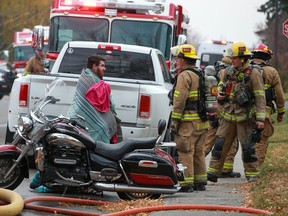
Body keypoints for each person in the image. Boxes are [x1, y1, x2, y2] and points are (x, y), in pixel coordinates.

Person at [207, 42, 266, 183]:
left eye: (234, 58)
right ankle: (213, 172)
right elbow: (221, 85)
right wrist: (220, 95)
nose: (231, 60)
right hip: (228, 115)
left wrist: (260, 119)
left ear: (242, 59)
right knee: (220, 144)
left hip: (245, 117)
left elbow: (259, 97)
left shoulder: (254, 73)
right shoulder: (228, 71)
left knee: (247, 147)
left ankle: (252, 174)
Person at [171, 44, 209, 192]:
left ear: (183, 60)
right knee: (198, 152)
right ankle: (200, 182)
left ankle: (186, 184)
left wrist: (175, 121)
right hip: (202, 122)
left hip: (188, 122)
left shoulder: (184, 76)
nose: (176, 61)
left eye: (178, 58)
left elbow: (179, 100)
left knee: (185, 151)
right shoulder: (201, 74)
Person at [204, 57, 241, 178]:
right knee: (229, 141)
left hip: (218, 112)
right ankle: (225, 169)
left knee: (211, 140)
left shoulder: (215, 76)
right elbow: (214, 96)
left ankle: (225, 169)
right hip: (222, 111)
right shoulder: (226, 76)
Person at [68, 55, 118, 143]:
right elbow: (111, 104)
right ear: (94, 66)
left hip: (73, 118)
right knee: (103, 128)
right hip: (82, 121)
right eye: (102, 66)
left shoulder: (84, 77)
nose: (104, 68)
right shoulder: (97, 83)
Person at [250, 44, 285, 167]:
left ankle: (245, 168)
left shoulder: (245, 69)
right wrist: (281, 112)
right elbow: (280, 95)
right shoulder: (271, 71)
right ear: (267, 57)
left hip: (243, 111)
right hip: (264, 112)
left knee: (245, 140)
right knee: (261, 140)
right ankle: (255, 169)